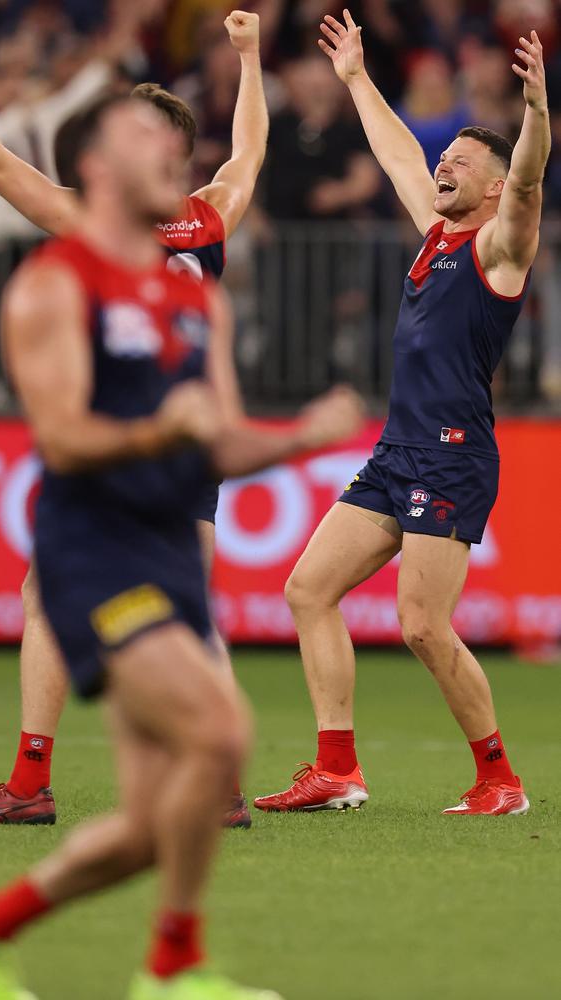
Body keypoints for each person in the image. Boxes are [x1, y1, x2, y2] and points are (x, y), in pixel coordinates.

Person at [0, 92, 363, 1000]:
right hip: (94, 541)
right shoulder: (57, 279)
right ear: (95, 168)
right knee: (219, 730)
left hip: (168, 532)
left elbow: (220, 439)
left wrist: (300, 438)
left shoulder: (189, 295)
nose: (168, 148)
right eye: (142, 134)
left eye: (172, 136)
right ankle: (171, 961)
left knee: (150, 819)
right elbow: (60, 439)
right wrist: (158, 433)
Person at [0, 10, 268, 828]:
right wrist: (249, 58)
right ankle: (216, 785)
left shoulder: (98, 224)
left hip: (124, 434)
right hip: (191, 435)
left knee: (50, 594)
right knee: (184, 609)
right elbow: (249, 151)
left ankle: (33, 783)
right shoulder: (207, 219)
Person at [254, 10, 550, 817]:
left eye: (460, 163)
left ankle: (500, 781)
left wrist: (537, 114)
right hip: (399, 450)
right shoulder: (435, 232)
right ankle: (336, 769)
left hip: (453, 453)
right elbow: (395, 152)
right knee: (309, 589)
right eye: (445, 157)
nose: (442, 167)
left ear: (491, 189)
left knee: (423, 625)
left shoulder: (498, 247)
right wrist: (354, 78)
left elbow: (526, 182)